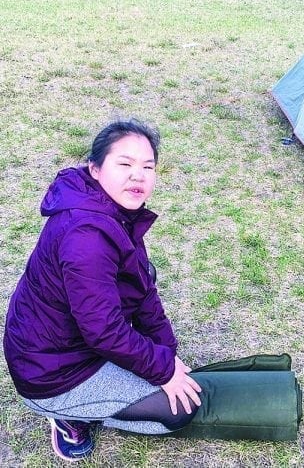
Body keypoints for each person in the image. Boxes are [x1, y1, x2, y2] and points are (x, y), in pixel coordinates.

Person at [3, 119, 202, 462]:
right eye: (124, 164)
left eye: (147, 167)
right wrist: (163, 369)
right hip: (51, 371)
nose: (138, 175)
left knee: (164, 373)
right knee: (178, 411)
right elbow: (104, 332)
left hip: (73, 341)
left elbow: (142, 288)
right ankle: (68, 414)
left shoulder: (114, 212)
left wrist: (166, 349)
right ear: (95, 169)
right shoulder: (87, 236)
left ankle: (100, 394)